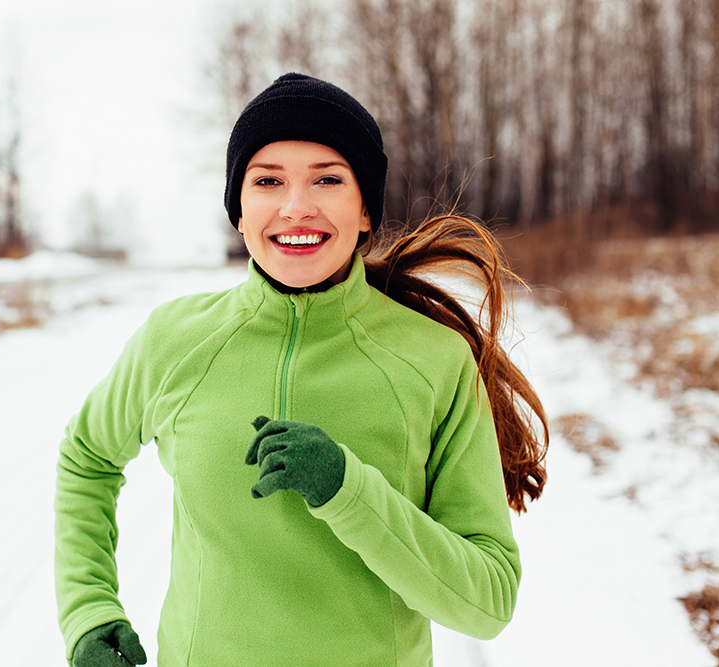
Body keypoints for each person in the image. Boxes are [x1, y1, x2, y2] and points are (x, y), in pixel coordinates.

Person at [54, 72, 548, 667]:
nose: (296, 206)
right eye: (267, 181)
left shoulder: (434, 361)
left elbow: (487, 604)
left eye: (327, 179)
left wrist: (346, 487)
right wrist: (88, 613)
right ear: (239, 211)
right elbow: (87, 458)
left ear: (366, 210)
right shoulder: (173, 342)